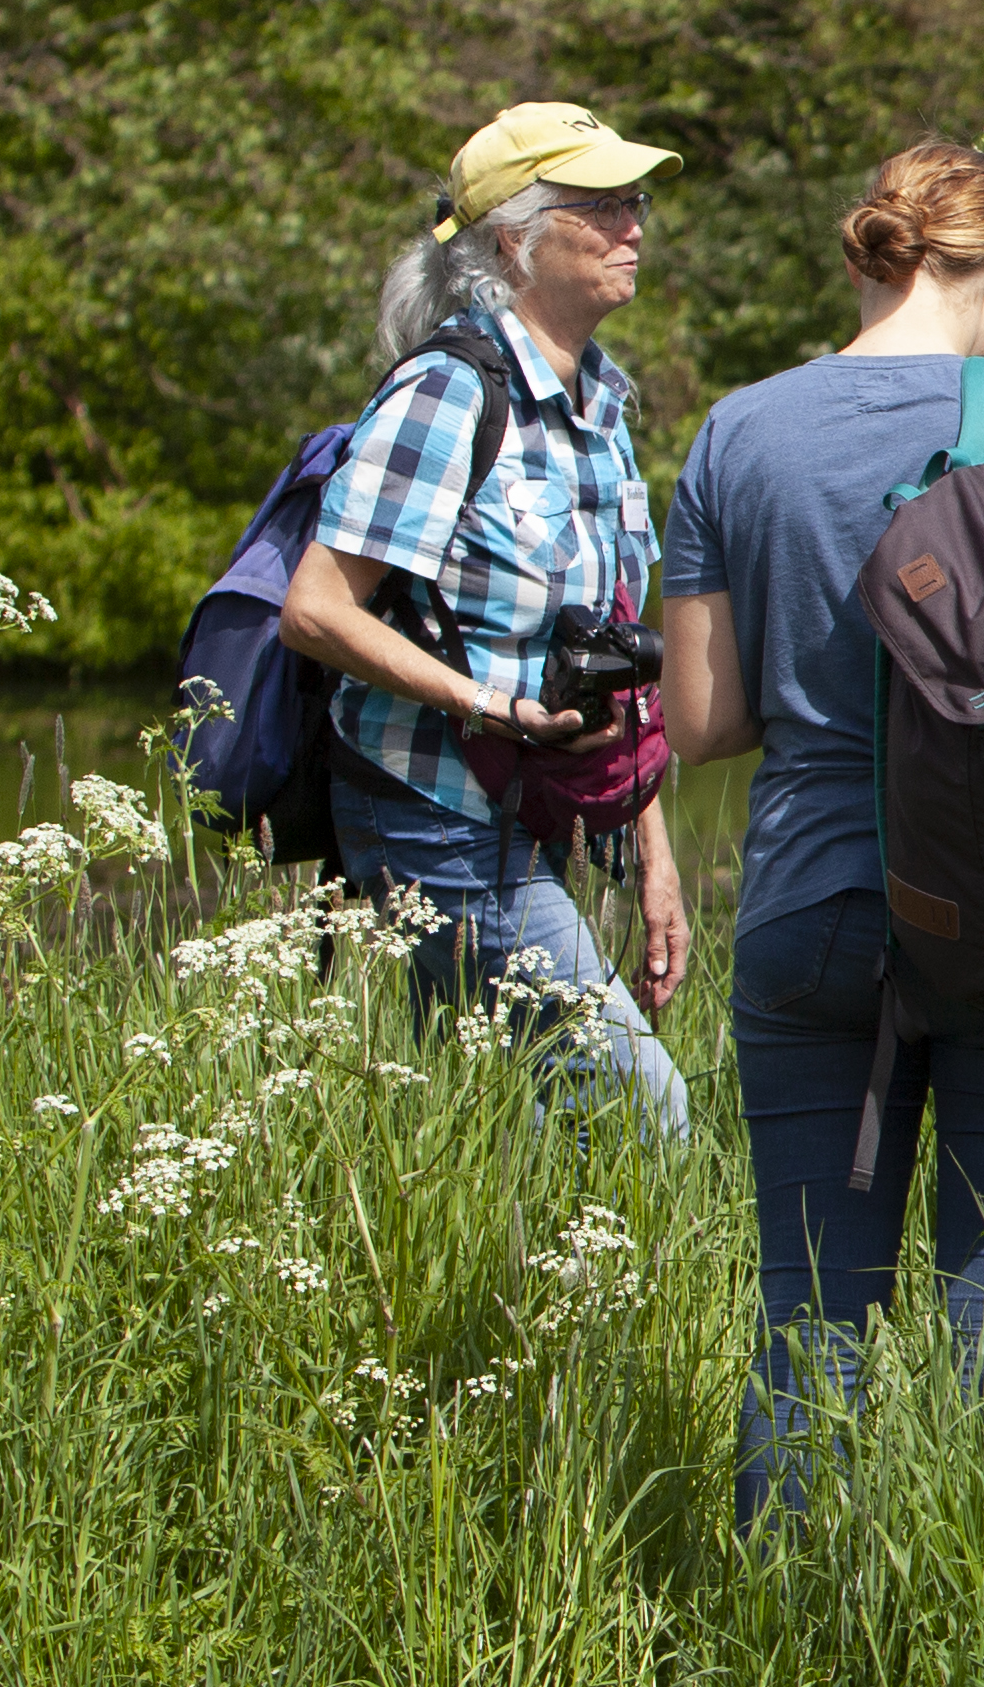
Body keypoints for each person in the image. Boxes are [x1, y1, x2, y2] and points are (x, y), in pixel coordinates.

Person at [655, 142, 984, 1524]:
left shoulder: (740, 432)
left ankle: (782, 1655)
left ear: (871, 258)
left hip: (815, 909)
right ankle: (974, 1643)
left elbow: (698, 720)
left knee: (811, 1305)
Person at [280, 101, 693, 1134]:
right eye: (598, 204)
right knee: (649, 1109)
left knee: (499, 1124)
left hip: (535, 805)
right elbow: (317, 610)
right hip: (432, 812)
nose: (633, 224)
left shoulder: (600, 403)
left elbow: (610, 650)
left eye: (633, 200)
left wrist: (653, 853)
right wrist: (491, 705)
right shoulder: (449, 393)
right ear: (514, 238)